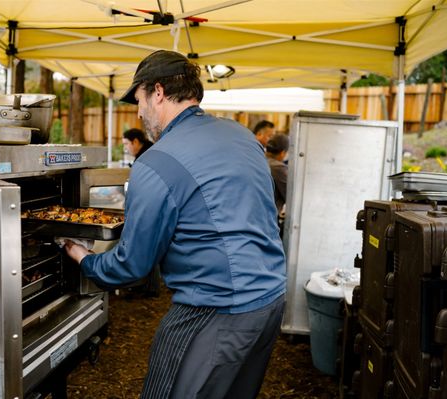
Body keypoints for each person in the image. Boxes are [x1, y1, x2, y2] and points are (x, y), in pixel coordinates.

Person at [63, 50, 286, 399]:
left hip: (216, 310)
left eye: (138, 100)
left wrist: (83, 257)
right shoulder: (242, 136)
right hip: (270, 300)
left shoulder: (155, 162)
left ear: (158, 92)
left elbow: (132, 267)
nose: (138, 112)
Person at [265, 133, 289, 214]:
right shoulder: (278, 167)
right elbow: (291, 196)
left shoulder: (259, 159)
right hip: (266, 218)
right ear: (283, 153)